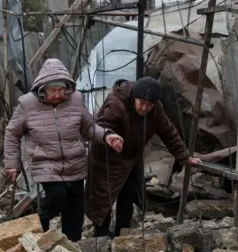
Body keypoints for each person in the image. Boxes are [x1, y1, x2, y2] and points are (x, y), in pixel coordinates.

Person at [3, 58, 123, 242]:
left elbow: (89, 127)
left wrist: (107, 136)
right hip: (45, 162)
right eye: (53, 91)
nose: (58, 94)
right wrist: (12, 164)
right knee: (58, 195)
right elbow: (12, 132)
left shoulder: (75, 99)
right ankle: (42, 218)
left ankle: (72, 244)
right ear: (42, 89)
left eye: (61, 90)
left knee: (75, 206)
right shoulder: (27, 104)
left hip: (75, 162)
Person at [85, 77, 201, 237]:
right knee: (102, 200)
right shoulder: (116, 104)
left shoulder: (156, 109)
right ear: (134, 98)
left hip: (131, 159)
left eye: (149, 104)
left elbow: (168, 131)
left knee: (127, 196)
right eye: (142, 103)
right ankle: (101, 237)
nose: (145, 107)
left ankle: (121, 234)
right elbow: (102, 126)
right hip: (107, 157)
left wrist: (184, 156)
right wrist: (111, 138)